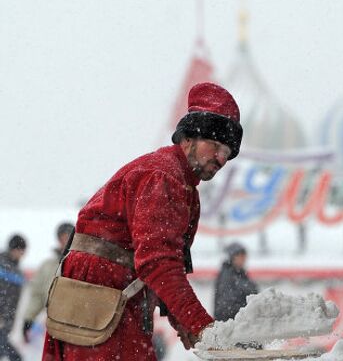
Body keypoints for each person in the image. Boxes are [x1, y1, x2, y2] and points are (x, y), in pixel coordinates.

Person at [42, 82, 243, 360]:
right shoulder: (164, 177)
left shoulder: (181, 183)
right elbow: (158, 262)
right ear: (188, 139)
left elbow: (160, 260)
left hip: (106, 302)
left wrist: (180, 317)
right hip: (102, 299)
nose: (222, 158)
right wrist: (202, 326)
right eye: (216, 145)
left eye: (228, 153)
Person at [22, 222, 74, 343]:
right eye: (62, 237)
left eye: (68, 237)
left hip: (76, 327)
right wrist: (29, 318)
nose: (65, 241)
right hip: (52, 325)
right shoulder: (47, 265)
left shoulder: (82, 264)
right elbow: (37, 294)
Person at [213, 243, 258, 322]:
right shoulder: (227, 276)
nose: (244, 258)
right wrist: (251, 308)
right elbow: (226, 306)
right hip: (231, 325)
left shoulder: (241, 274)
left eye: (244, 255)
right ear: (232, 257)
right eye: (240, 255)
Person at [0, 234, 27, 361]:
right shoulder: (2, 265)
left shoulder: (17, 270)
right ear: (13, 249)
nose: (22, 253)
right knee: (15, 357)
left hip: (6, 320)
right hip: (2, 318)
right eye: (20, 249)